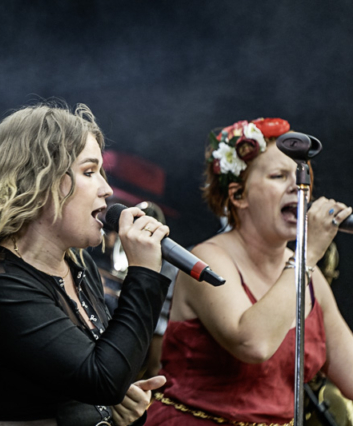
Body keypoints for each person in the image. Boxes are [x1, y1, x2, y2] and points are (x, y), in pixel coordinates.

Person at [0, 103, 172, 426]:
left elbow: (95, 377)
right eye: (89, 172)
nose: (106, 189)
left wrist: (116, 410)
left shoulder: (79, 266)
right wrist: (144, 274)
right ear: (38, 184)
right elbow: (103, 379)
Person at [145, 118, 353, 425]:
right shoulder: (207, 258)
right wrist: (308, 254)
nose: (298, 187)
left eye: (302, 177)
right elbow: (253, 344)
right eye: (278, 175)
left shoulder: (312, 278)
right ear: (238, 196)